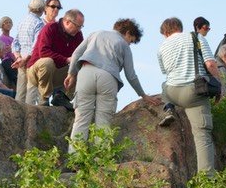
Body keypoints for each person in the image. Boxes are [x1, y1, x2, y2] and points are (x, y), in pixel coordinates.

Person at [65, 18, 160, 147]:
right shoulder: (124, 45)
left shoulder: (96, 33)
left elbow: (76, 53)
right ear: (127, 33)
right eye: (131, 40)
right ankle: (101, 160)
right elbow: (130, 75)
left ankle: (75, 159)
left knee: (81, 118)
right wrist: (143, 94)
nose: (130, 43)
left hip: (86, 71)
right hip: (108, 77)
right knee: (103, 121)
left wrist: (71, 74)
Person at [157, 17, 220, 174]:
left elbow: (165, 72)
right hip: (193, 92)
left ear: (165, 32)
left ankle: (169, 109)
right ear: (179, 27)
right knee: (202, 135)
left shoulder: (162, 47)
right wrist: (220, 85)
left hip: (172, 92)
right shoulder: (195, 37)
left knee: (164, 84)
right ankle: (207, 179)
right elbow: (210, 64)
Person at [27, 8, 84, 109]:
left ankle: (63, 96)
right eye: (77, 26)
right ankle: (44, 97)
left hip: (57, 72)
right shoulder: (50, 28)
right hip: (36, 71)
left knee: (82, 67)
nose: (79, 29)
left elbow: (81, 54)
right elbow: (44, 52)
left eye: (81, 27)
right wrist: (66, 60)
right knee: (47, 62)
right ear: (67, 22)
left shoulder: (78, 35)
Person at [11, 0, 45, 104]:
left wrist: (18, 57)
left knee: (20, 90)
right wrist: (25, 59)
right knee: (31, 89)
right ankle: (29, 114)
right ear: (43, 10)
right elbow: (36, 45)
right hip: (32, 60)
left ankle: (17, 112)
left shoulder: (22, 22)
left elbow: (15, 43)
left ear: (29, 8)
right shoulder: (39, 23)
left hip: (21, 59)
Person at [0, 16, 17, 89]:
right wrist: (16, 59)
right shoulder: (2, 38)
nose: (8, 24)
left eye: (10, 22)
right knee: (17, 78)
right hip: (7, 60)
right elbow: (8, 52)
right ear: (2, 25)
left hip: (14, 59)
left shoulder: (12, 38)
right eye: (6, 23)